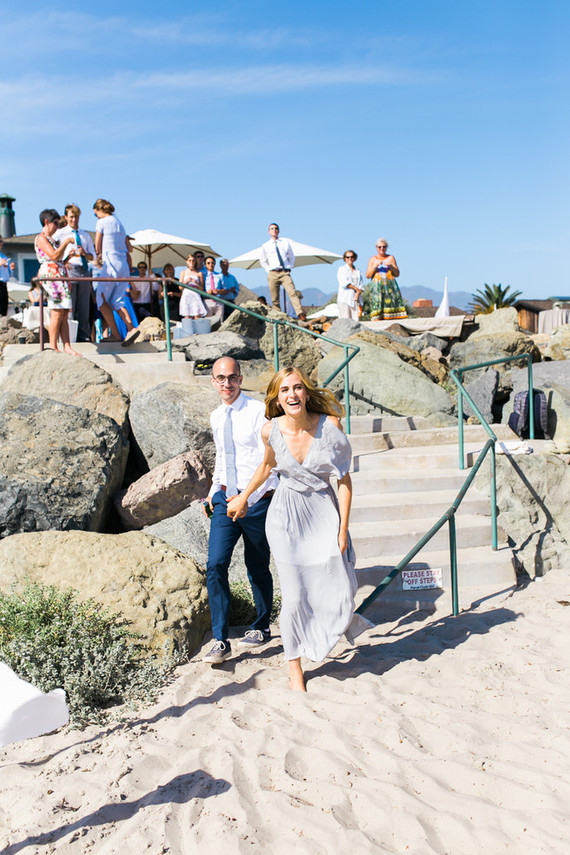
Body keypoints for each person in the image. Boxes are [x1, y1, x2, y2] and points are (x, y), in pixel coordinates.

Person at [227, 366, 358, 692]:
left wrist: (343, 528)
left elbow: (343, 481)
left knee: (339, 585)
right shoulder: (270, 431)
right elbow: (268, 466)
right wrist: (244, 496)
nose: (292, 395)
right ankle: (295, 666)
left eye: (297, 388)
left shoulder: (331, 428)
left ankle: (325, 635)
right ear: (277, 397)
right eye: (285, 390)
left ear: (306, 391)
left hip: (322, 512)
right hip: (285, 516)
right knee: (295, 595)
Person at [203, 356, 278, 665]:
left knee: (257, 565)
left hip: (257, 500)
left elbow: (270, 463)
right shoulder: (216, 416)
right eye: (220, 378)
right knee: (215, 563)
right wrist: (212, 491)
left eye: (232, 377)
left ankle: (261, 625)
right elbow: (222, 456)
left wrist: (249, 498)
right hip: (224, 499)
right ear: (213, 382)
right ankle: (220, 639)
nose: (227, 383)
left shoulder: (259, 411)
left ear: (241, 379)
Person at [34, 208, 81, 356]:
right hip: (51, 275)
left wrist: (68, 257)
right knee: (57, 310)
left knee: (64, 311)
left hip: (58, 273)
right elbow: (53, 256)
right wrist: (66, 242)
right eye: (56, 223)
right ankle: (53, 346)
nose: (57, 226)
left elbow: (58, 259)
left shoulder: (52, 239)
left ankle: (66, 345)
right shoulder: (41, 238)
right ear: (47, 222)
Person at [93, 198, 139, 345]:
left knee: (100, 299)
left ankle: (116, 333)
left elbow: (97, 243)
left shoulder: (102, 222)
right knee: (116, 300)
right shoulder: (119, 223)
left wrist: (97, 256)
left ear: (99, 211)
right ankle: (131, 328)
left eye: (96, 214)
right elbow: (129, 248)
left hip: (110, 264)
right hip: (123, 265)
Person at [55, 204, 96, 342]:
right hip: (69, 270)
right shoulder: (60, 234)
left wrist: (85, 254)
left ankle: (84, 336)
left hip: (83, 270)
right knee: (70, 306)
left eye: (76, 217)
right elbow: (53, 253)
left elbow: (93, 257)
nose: (74, 220)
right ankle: (69, 337)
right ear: (66, 218)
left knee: (84, 307)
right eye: (71, 217)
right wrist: (66, 258)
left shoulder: (85, 235)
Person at [259, 223, 306, 320]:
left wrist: (289, 267)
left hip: (284, 272)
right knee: (274, 297)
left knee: (292, 292)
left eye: (276, 228)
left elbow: (291, 256)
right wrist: (268, 270)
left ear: (278, 231)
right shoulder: (265, 246)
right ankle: (278, 315)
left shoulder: (284, 243)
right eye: (272, 229)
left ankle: (300, 313)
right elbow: (263, 260)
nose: (274, 230)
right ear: (269, 231)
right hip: (273, 273)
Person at [365, 238, 407, 321]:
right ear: (376, 248)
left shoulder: (391, 258)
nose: (382, 249)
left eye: (384, 247)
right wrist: (375, 266)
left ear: (386, 247)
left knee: (392, 303)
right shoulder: (373, 259)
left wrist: (391, 266)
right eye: (379, 247)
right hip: (377, 287)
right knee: (378, 303)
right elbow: (368, 275)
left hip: (390, 287)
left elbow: (397, 274)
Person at [337, 250, 363, 320]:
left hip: (355, 299)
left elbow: (361, 284)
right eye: (347, 257)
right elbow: (344, 283)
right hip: (345, 298)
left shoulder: (358, 270)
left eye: (351, 257)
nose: (350, 259)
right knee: (345, 320)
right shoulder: (342, 269)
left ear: (354, 258)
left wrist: (358, 292)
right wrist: (356, 288)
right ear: (345, 259)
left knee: (355, 320)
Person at [178, 254, 206, 319]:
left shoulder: (199, 273)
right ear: (187, 262)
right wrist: (186, 282)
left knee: (197, 315)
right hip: (186, 295)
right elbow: (180, 287)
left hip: (195, 294)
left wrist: (196, 282)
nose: (191, 262)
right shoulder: (183, 272)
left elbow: (201, 288)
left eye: (193, 261)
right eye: (190, 260)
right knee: (187, 316)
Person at [0, 237, 15, 317]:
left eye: (1, 241)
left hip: (4, 284)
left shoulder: (4, 257)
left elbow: (8, 275)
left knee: (3, 309)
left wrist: (12, 269)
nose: (1, 243)